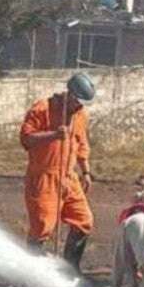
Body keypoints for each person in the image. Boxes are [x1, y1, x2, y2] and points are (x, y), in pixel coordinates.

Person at [20, 72, 96, 272]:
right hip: (44, 177)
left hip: (69, 177)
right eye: (77, 101)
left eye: (82, 104)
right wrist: (54, 135)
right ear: (69, 94)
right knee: (43, 226)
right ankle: (33, 273)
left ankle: (71, 269)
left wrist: (86, 171)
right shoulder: (42, 109)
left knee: (84, 221)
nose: (79, 106)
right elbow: (26, 139)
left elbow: (81, 144)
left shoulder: (80, 115)